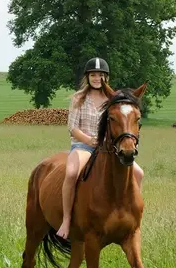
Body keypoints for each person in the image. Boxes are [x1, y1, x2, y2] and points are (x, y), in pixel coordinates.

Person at [56, 58, 144, 239]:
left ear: (107, 77)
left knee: (139, 173)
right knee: (72, 173)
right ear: (87, 77)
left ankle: (133, 215)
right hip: (82, 146)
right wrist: (90, 141)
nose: (97, 79)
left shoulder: (113, 99)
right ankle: (66, 219)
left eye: (101, 75)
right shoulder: (78, 98)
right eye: (93, 75)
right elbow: (72, 128)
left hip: (108, 149)